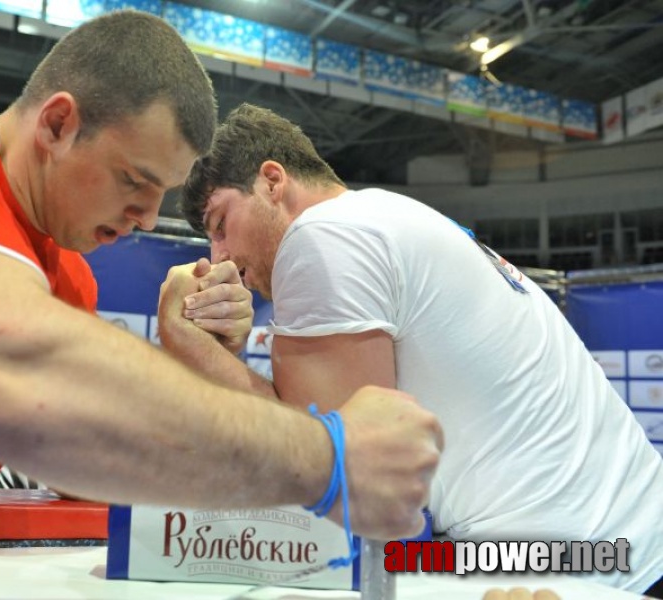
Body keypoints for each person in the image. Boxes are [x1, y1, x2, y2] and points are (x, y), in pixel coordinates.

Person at [0, 12, 444, 600]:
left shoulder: (65, 278)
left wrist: (191, 352)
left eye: (161, 193)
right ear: (58, 123)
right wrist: (328, 458)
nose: (147, 219)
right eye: (134, 181)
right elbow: (8, 371)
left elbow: (81, 442)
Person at [158, 103, 663, 596]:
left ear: (273, 181)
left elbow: (331, 470)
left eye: (221, 223)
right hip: (619, 545)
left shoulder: (323, 236)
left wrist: (189, 344)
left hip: (577, 571)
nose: (218, 255)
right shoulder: (385, 214)